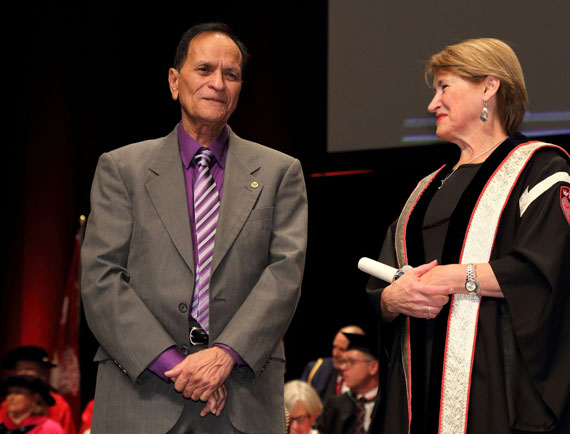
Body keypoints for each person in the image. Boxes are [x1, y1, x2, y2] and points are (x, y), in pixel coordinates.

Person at [80, 22, 308, 434]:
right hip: (142, 395)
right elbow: (101, 280)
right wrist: (177, 367)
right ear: (174, 81)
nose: (218, 83)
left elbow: (283, 277)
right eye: (204, 69)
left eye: (231, 74)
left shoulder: (280, 172)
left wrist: (223, 356)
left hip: (242, 396)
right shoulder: (122, 169)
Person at [366, 38, 570, 433]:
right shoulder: (425, 189)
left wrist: (453, 277)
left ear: (489, 87)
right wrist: (391, 297)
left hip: (494, 390)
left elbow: (547, 274)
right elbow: (381, 281)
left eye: (444, 87)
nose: (432, 104)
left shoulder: (540, 170)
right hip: (416, 386)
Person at [0, 347, 75, 434]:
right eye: (20, 369)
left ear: (43, 372)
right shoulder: (8, 405)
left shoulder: (59, 405)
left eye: (29, 369)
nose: (24, 373)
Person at [315, 333, 379, 434]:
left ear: (373, 367)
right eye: (344, 362)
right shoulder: (336, 405)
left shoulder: (390, 404)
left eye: (352, 362)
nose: (343, 368)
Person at [301, 326, 365, 404]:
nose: (335, 353)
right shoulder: (317, 369)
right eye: (334, 347)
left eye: (342, 349)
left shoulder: (364, 377)